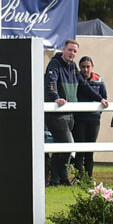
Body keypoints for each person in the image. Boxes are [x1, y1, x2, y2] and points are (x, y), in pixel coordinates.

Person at [43, 39, 84, 187]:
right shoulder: (54, 64)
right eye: (70, 50)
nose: (72, 53)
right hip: (56, 114)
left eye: (75, 51)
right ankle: (63, 177)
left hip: (70, 113)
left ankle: (56, 179)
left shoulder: (73, 66)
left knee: (62, 147)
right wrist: (56, 98)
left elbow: (83, 84)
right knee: (68, 145)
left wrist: (100, 99)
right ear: (63, 49)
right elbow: (51, 83)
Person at [72, 55, 109, 179]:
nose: (85, 70)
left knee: (90, 150)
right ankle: (79, 178)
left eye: (88, 67)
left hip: (93, 120)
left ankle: (88, 178)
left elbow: (104, 97)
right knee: (80, 149)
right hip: (79, 119)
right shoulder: (76, 79)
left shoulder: (98, 79)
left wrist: (97, 114)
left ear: (92, 67)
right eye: (83, 67)